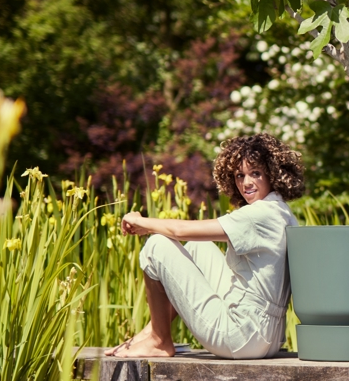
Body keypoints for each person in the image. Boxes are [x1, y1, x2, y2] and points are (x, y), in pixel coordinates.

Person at [106, 134, 305, 358]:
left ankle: (159, 341)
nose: (246, 183)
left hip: (240, 336)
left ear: (273, 174)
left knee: (156, 246)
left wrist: (141, 222)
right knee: (198, 248)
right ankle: (152, 331)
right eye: (240, 175)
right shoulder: (280, 210)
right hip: (267, 335)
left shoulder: (260, 214)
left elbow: (180, 231)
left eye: (255, 173)